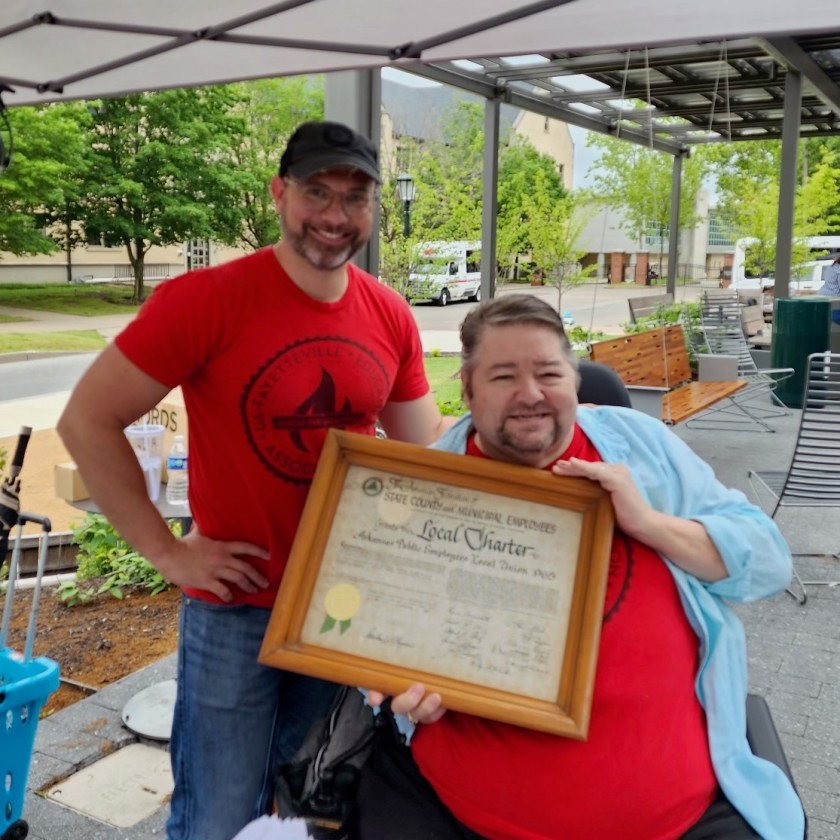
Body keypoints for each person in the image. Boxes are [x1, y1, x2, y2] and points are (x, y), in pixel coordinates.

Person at [57, 120, 451, 840]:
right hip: (235, 606)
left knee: (307, 803)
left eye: (355, 198)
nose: (335, 216)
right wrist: (168, 553)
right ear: (279, 194)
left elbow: (429, 455)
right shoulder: (206, 300)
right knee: (215, 813)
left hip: (342, 606)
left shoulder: (388, 313)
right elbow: (87, 421)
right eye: (317, 192)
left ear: (373, 210)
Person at [358, 295, 805, 840]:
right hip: (461, 818)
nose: (530, 394)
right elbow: (383, 640)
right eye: (503, 377)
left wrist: (648, 523)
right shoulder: (428, 488)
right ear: (469, 391)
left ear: (574, 381)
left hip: (690, 820)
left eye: (548, 372)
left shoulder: (641, 449)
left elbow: (768, 561)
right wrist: (396, 682)